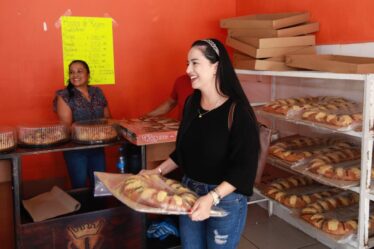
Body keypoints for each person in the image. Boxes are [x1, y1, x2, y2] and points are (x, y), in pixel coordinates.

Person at [141, 39, 260, 249]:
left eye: (195, 63)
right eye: (187, 63)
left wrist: (211, 197)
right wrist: (156, 172)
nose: (188, 70)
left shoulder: (238, 111)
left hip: (225, 199)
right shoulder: (191, 103)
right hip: (189, 191)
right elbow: (183, 152)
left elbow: (244, 169)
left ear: (215, 66)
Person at [53, 60, 111, 189]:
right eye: (71, 72)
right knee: (79, 185)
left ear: (88, 74)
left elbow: (108, 118)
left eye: (79, 71)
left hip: (98, 146)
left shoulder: (97, 92)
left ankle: (100, 209)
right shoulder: (64, 96)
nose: (75, 75)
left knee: (100, 185)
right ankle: (83, 209)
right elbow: (67, 127)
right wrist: (93, 131)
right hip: (76, 150)